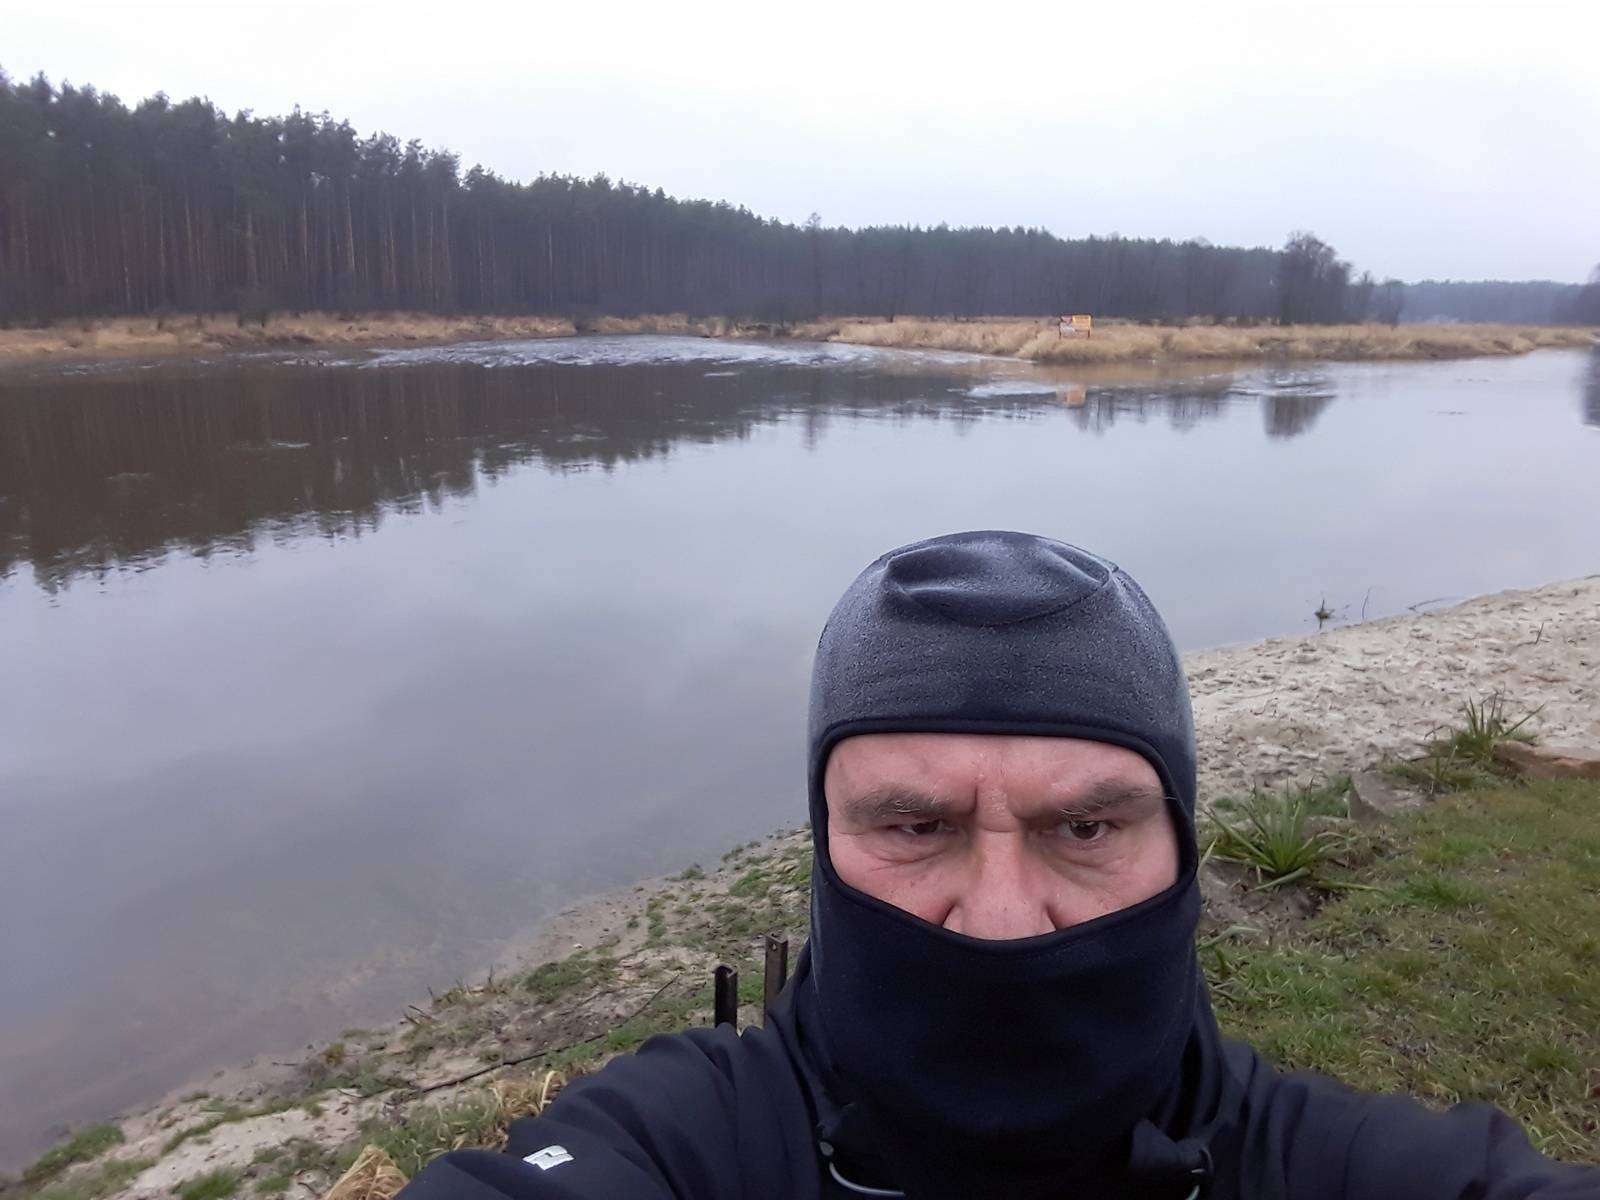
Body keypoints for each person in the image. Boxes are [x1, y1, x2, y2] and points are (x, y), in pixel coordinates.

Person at [395, 531, 1598, 1199]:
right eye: (916, 828)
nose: (1004, 919)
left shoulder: (1346, 1172)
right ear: (823, 846)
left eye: (1087, 829)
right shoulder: (686, 1145)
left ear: (1182, 842)